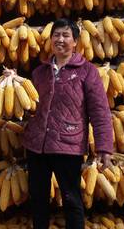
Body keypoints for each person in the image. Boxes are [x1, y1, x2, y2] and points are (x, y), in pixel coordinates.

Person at [22, 18, 113, 229]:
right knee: (38, 200)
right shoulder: (39, 72)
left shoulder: (87, 71)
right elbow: (28, 105)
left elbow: (99, 110)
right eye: (56, 35)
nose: (60, 40)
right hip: (38, 146)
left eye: (65, 35)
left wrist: (104, 147)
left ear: (75, 42)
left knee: (71, 199)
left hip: (68, 145)